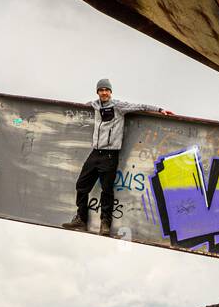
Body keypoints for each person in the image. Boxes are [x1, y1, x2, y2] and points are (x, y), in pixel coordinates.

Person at [62, 78, 171, 236]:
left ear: (111, 92)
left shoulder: (119, 106)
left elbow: (140, 106)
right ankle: (81, 219)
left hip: (110, 155)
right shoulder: (94, 105)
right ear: (97, 92)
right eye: (101, 90)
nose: (104, 92)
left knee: (107, 190)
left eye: (107, 90)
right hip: (95, 152)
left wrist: (160, 109)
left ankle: (105, 223)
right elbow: (79, 109)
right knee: (81, 185)